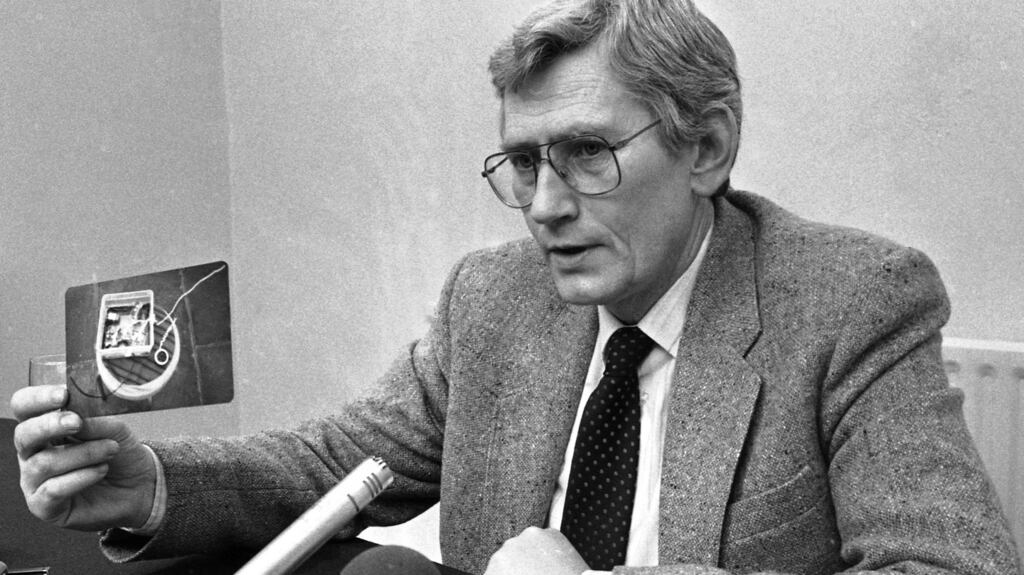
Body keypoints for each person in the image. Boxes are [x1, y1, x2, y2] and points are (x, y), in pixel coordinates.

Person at [10, 1, 1021, 574]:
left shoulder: (851, 299)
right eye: (523, 164)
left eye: (585, 154)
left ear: (706, 146)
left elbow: (951, 566)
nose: (541, 206)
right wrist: (148, 483)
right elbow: (330, 460)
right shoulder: (494, 299)